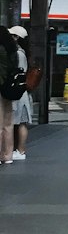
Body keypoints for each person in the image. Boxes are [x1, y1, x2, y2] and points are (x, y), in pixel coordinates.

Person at [9, 27, 31, 161]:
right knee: (20, 122)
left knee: (20, 122)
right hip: (21, 92)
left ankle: (21, 151)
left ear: (17, 38)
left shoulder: (18, 54)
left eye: (12, 35)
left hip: (19, 93)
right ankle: (19, 150)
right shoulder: (22, 52)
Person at [0, 26, 18, 165]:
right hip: (10, 88)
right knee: (8, 123)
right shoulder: (14, 50)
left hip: (0, 87)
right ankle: (7, 155)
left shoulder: (0, 49)